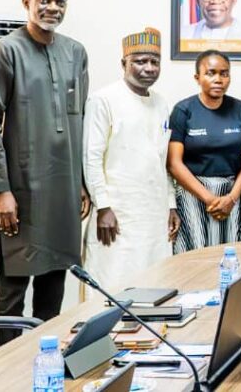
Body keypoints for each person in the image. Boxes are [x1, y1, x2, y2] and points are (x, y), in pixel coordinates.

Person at [0, 0, 90, 346]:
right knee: (12, 292)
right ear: (26, 2)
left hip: (63, 191)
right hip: (21, 190)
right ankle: (3, 376)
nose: (52, 9)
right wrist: (0, 190)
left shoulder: (75, 53)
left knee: (53, 288)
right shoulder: (5, 50)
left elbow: (79, 121)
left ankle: (42, 370)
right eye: (44, 0)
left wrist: (81, 184)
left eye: (59, 2)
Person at [83, 28, 179, 290]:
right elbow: (91, 157)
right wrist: (102, 206)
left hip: (153, 213)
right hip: (117, 213)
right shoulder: (103, 99)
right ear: (123, 63)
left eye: (154, 62)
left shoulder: (161, 103)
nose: (148, 68)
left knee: (154, 284)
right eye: (140, 61)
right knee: (112, 284)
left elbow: (162, 161)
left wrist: (170, 205)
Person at [168, 50, 241, 252]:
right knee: (194, 259)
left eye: (224, 73)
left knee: (230, 258)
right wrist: (210, 199)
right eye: (211, 73)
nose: (218, 79)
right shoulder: (183, 110)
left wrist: (232, 198)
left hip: (231, 196)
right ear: (197, 77)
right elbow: (174, 163)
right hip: (193, 194)